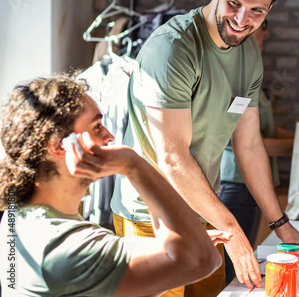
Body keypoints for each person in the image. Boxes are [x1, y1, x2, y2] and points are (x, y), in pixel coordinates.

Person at [110, 0, 299, 295]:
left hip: (205, 214)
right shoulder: (174, 48)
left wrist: (281, 225)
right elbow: (172, 157)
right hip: (151, 218)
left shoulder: (249, 55)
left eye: (256, 11)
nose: (242, 19)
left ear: (269, 10)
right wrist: (232, 227)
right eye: (234, 4)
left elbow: (249, 146)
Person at [0, 75, 227, 296]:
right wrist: (132, 163)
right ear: (58, 144)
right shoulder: (65, 247)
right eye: (97, 126)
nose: (109, 136)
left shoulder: (21, 218)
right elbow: (202, 259)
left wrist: (181, 242)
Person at [218, 19, 294, 284]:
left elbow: (265, 130)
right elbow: (245, 140)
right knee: (234, 270)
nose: (265, 32)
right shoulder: (232, 74)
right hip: (237, 183)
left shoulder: (249, 71)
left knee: (240, 264)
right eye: (262, 27)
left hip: (251, 185)